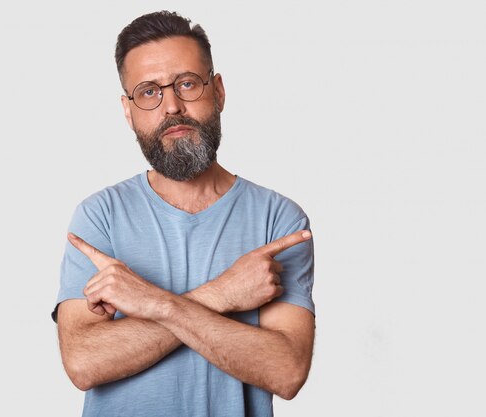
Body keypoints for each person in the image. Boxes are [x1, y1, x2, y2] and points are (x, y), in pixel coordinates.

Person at [51, 10, 315, 417]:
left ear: (219, 91)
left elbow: (286, 371)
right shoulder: (98, 217)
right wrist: (223, 294)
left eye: (187, 84)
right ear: (128, 110)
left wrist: (153, 303)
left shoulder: (278, 220)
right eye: (148, 92)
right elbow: (85, 363)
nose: (171, 106)